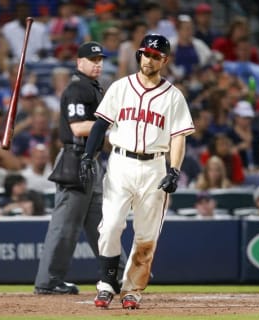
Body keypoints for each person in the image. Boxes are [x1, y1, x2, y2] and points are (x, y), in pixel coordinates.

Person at [79, 34, 194, 309]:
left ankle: (132, 290)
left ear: (164, 60)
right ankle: (107, 283)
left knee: (145, 236)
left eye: (156, 56)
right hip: (120, 163)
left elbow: (179, 137)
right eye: (146, 53)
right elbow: (100, 125)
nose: (149, 59)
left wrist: (174, 170)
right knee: (110, 227)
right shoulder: (120, 87)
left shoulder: (173, 97)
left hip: (155, 166)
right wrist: (87, 155)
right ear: (139, 55)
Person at [34, 41, 127, 295]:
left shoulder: (95, 89)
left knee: (104, 224)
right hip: (75, 161)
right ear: (79, 62)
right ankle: (49, 282)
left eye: (100, 60)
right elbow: (78, 127)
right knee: (65, 226)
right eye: (92, 60)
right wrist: (116, 126)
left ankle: (119, 274)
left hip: (92, 161)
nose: (97, 64)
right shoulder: (77, 89)